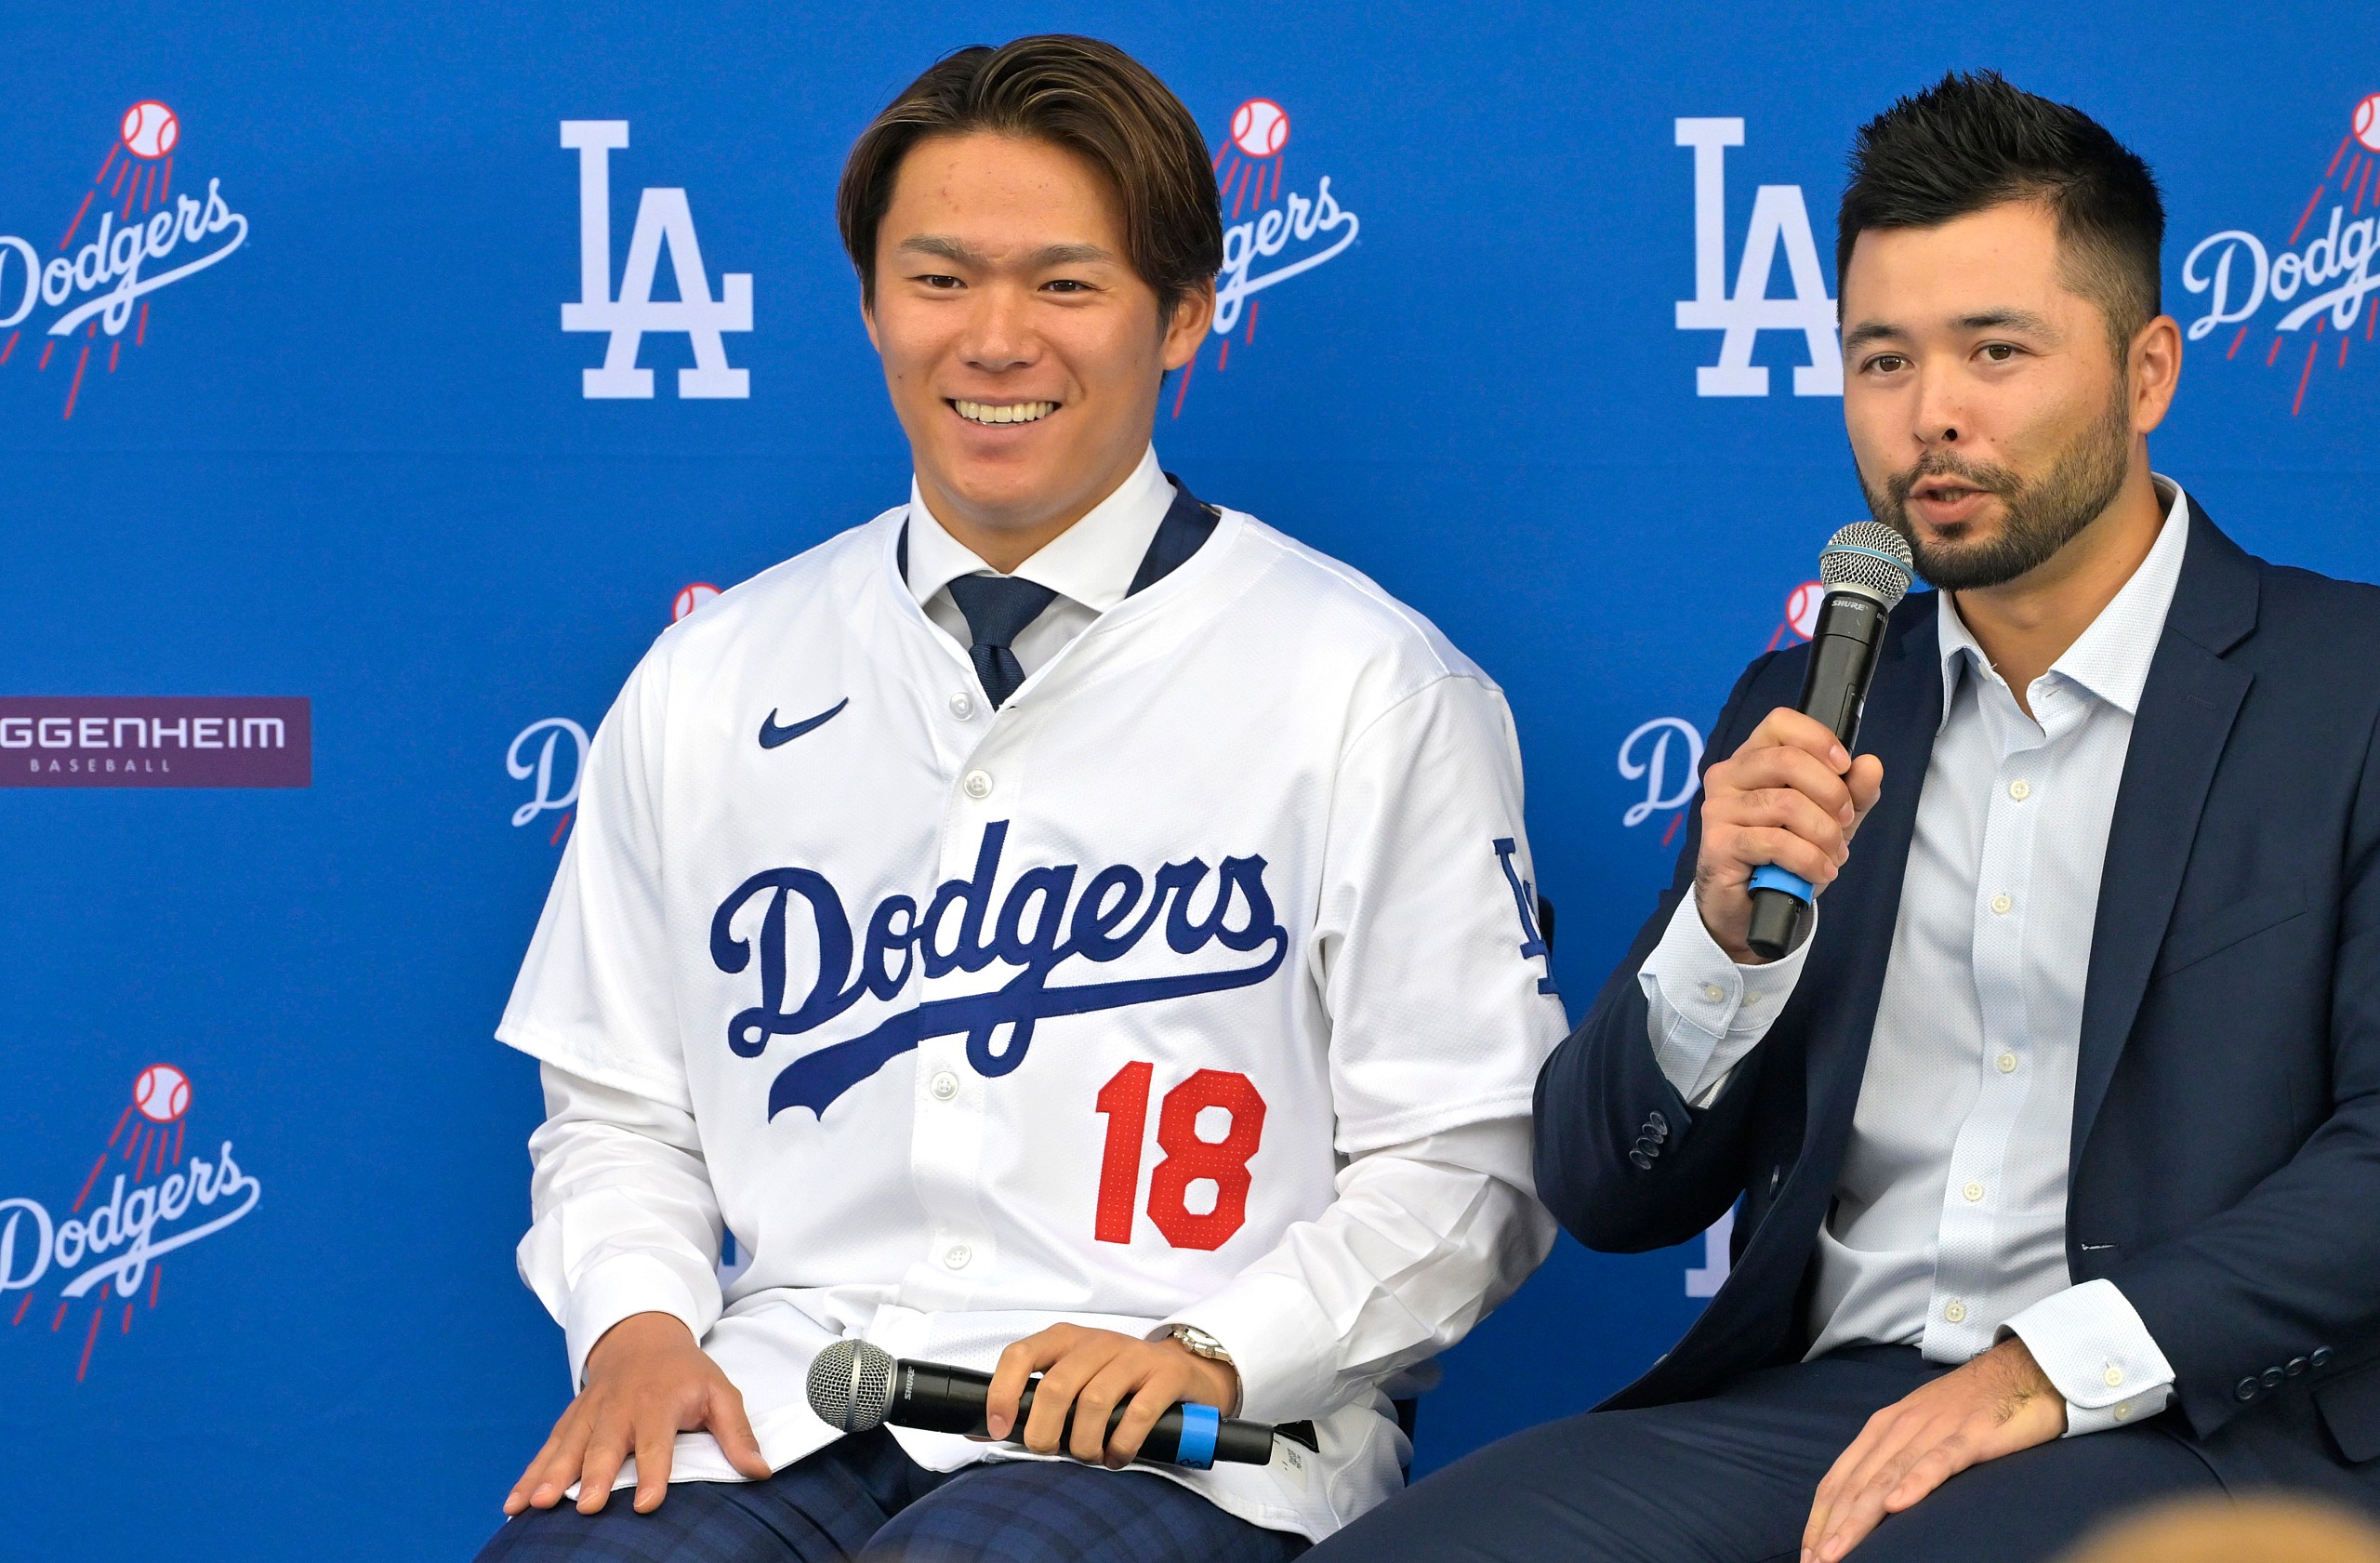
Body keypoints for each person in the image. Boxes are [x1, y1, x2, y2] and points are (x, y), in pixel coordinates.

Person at [474, 34, 1564, 1563]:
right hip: (792, 1392)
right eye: (939, 280)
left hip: (1186, 1430)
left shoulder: (1368, 682)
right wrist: (639, 1324)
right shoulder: (712, 673)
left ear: (1182, 315)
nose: (995, 341)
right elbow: (616, 1106)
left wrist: (1219, 1344)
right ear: (869, 305)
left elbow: (1470, 1158)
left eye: (1066, 284)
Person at [1310, 70, 2380, 1563]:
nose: (1931, 417)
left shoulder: (2351, 686)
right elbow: (1605, 1188)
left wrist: (2042, 1370)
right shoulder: (1809, 703)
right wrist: (1720, 945)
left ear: (2148, 372)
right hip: (1826, 1404)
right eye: (1882, 360)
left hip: (2192, 1424)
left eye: (1997, 351)